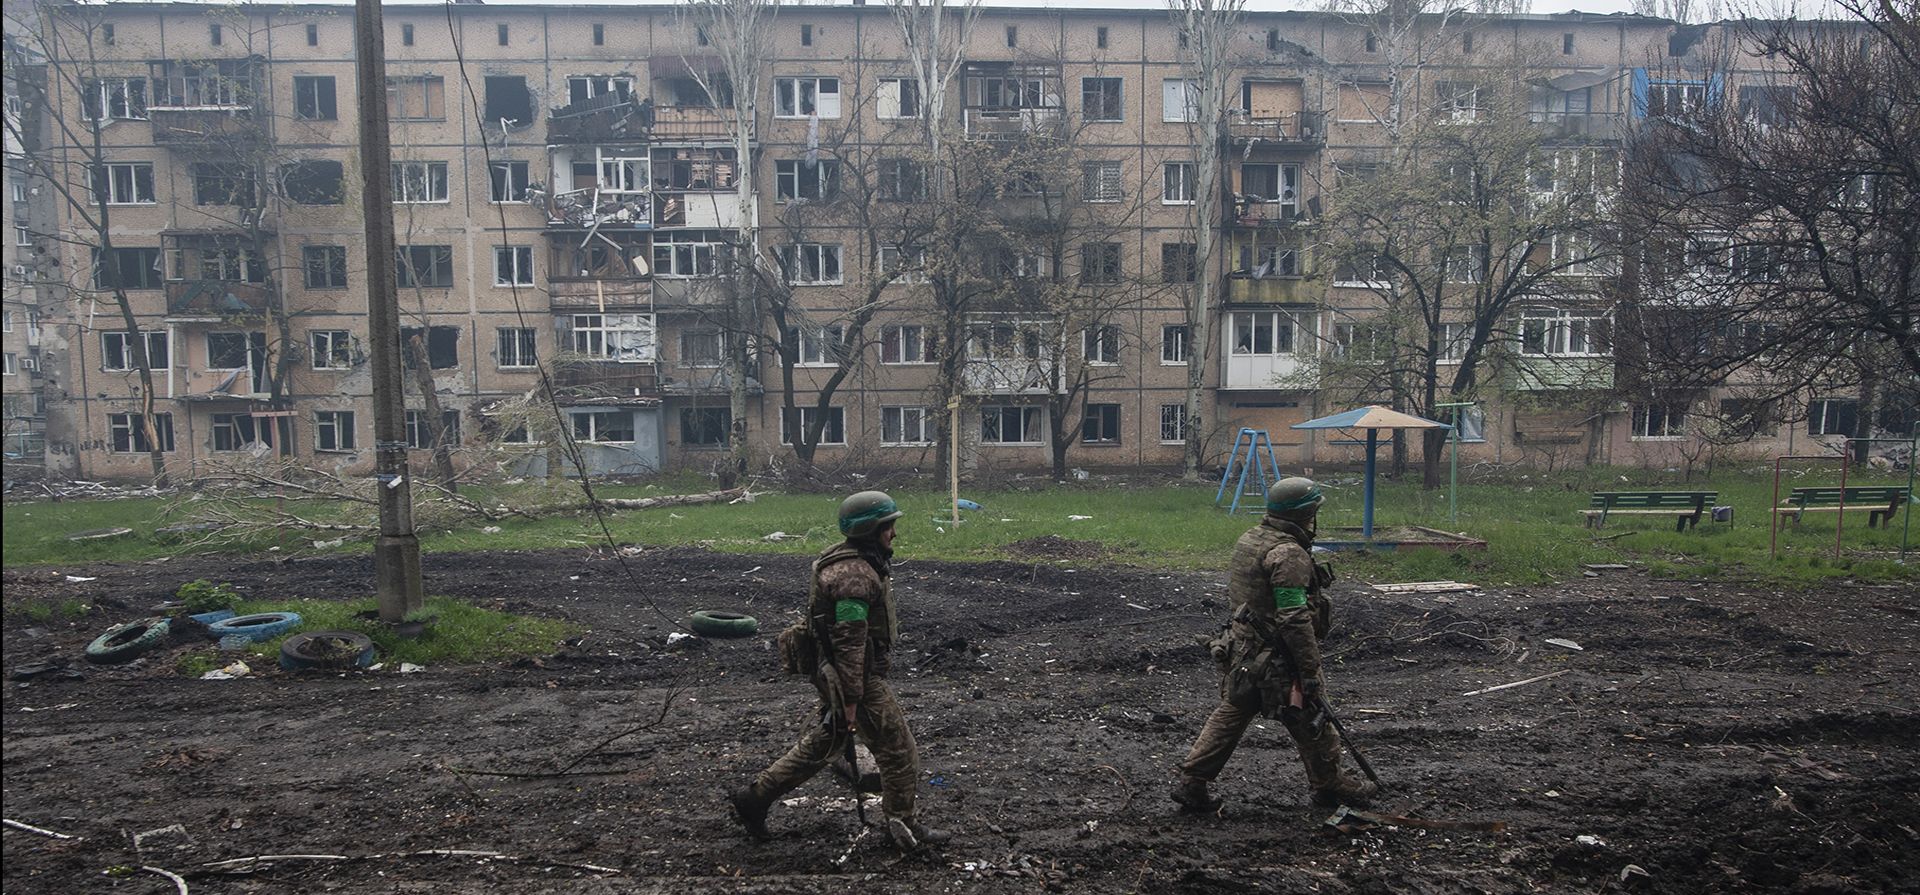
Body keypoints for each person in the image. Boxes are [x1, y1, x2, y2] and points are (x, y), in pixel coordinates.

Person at [731, 491, 951, 851]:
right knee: (898, 751)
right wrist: (851, 698)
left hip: (839, 672)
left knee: (827, 741)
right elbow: (851, 642)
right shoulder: (855, 576)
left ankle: (755, 798)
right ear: (871, 530)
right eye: (888, 526)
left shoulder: (851, 560)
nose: (893, 533)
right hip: (856, 677)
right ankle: (903, 825)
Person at [1171, 477, 1378, 814]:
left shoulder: (1252, 539)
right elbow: (1294, 617)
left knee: (1232, 713)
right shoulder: (1288, 554)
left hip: (1244, 650)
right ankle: (1330, 785)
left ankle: (1192, 782)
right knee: (1311, 716)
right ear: (1306, 514)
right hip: (1276, 658)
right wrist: (1309, 669)